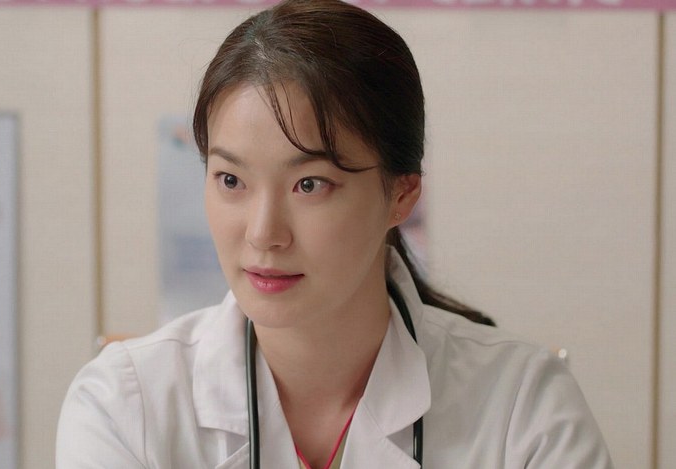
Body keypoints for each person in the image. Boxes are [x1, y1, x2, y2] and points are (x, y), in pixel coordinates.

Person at [57, 1, 613, 467]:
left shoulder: (523, 408)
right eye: (231, 180)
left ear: (401, 195)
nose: (263, 234)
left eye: (310, 184)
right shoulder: (124, 405)